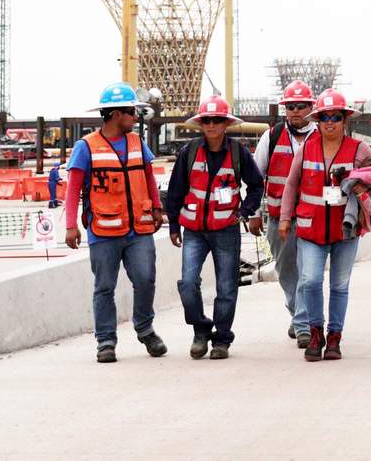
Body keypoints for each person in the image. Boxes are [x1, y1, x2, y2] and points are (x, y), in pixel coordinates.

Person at [278, 89, 371, 361]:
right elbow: (291, 184)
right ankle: (315, 332)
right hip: (310, 229)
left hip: (345, 230)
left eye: (335, 117)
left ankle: (334, 337)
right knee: (311, 281)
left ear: (344, 120)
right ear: (318, 120)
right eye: (325, 117)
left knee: (339, 285)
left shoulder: (358, 149)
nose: (330, 122)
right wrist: (284, 217)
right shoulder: (307, 149)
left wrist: (358, 178)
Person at [63, 83, 166, 364]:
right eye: (131, 112)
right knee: (104, 287)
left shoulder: (137, 143)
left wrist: (157, 208)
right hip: (104, 231)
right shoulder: (86, 147)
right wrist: (71, 225)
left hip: (139, 229)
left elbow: (148, 177)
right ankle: (106, 341)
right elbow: (72, 189)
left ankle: (145, 329)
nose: (135, 117)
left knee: (145, 279)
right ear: (116, 114)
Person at [165, 96, 264, 360]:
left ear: (226, 123)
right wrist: (173, 224)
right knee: (188, 283)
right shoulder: (189, 152)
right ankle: (201, 329)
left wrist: (243, 212)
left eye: (217, 120)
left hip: (226, 230)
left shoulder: (238, 153)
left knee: (227, 287)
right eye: (206, 120)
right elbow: (175, 190)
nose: (211, 125)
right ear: (200, 124)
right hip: (194, 231)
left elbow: (256, 186)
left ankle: (222, 339)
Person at [254, 80, 316, 348]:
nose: (295, 111)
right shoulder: (272, 137)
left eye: (300, 106)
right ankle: (297, 312)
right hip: (280, 220)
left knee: (309, 273)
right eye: (290, 107)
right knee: (287, 272)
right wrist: (254, 213)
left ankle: (303, 324)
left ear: (311, 107)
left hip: (312, 218)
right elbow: (255, 177)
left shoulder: (321, 136)